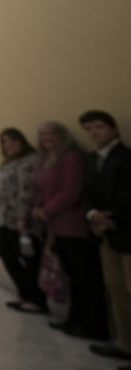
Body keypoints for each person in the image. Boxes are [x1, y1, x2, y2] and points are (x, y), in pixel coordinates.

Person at [32, 120, 109, 341]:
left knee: (86, 278)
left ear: (62, 135)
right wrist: (37, 207)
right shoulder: (46, 159)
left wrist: (46, 209)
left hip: (73, 225)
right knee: (72, 276)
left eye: (52, 134)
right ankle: (76, 319)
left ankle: (94, 326)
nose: (48, 138)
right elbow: (40, 187)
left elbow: (71, 191)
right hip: (55, 226)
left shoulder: (72, 157)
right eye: (43, 135)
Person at [80, 110, 131, 366]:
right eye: (88, 128)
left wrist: (108, 218)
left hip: (125, 232)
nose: (93, 133)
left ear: (113, 129)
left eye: (98, 127)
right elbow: (86, 193)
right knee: (117, 291)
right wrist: (92, 215)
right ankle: (124, 344)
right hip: (105, 235)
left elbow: (127, 196)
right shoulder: (91, 160)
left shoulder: (126, 158)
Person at [0, 128, 46, 313]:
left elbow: (26, 191)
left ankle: (37, 299)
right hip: (5, 218)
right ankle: (23, 292)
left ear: (21, 141)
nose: (9, 145)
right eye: (4, 142)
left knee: (30, 259)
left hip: (22, 219)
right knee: (5, 253)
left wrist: (22, 216)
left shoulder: (29, 161)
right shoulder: (7, 163)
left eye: (13, 140)